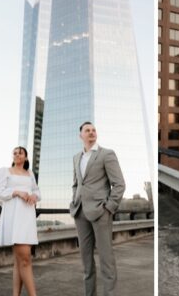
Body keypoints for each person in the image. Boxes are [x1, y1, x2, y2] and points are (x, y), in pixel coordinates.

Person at [70, 122, 125, 296]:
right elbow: (76, 184)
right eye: (87, 130)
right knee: (86, 263)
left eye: (93, 130)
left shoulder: (106, 154)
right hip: (80, 212)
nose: (91, 132)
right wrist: (74, 201)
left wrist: (109, 208)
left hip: (101, 212)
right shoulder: (76, 158)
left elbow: (119, 184)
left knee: (106, 261)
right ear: (81, 136)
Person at [0, 146, 41, 296]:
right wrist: (17, 192)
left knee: (19, 261)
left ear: (26, 157)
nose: (17, 155)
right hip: (13, 217)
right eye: (14, 152)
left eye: (20, 153)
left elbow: (37, 191)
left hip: (27, 216)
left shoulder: (30, 173)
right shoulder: (4, 171)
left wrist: (34, 196)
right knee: (25, 259)